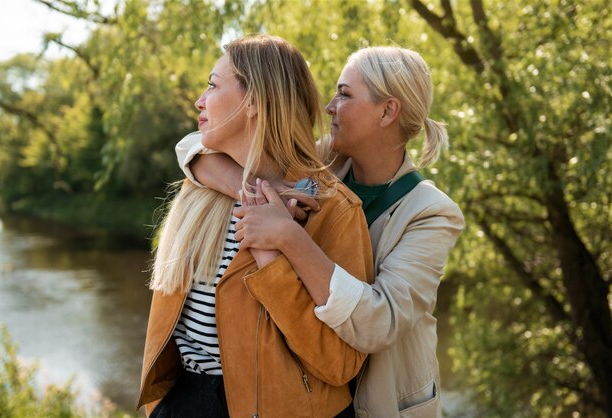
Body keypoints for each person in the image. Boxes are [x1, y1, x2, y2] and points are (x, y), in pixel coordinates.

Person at [176, 46, 465, 417]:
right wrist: (248, 187)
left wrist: (288, 237)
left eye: (344, 94)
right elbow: (192, 147)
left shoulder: (431, 212)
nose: (329, 106)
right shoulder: (320, 167)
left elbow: (380, 322)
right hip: (308, 391)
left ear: (387, 111)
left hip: (378, 400)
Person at [137, 35, 374, 418]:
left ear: (254, 102)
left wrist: (272, 258)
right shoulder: (201, 185)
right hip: (186, 402)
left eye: (213, 85)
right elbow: (188, 147)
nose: (199, 100)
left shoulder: (331, 209)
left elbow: (339, 364)